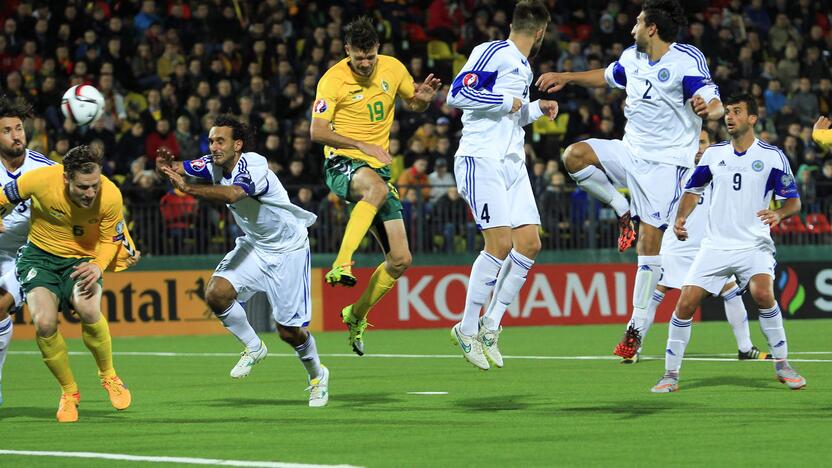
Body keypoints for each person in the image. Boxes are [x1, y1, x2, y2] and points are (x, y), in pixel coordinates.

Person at [536, 0, 725, 360]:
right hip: (630, 151)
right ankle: (623, 210)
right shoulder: (632, 57)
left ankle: (635, 330)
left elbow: (711, 98)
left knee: (648, 249)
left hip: (666, 166)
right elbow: (608, 76)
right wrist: (568, 77)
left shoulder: (685, 61)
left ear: (652, 28)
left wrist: (710, 110)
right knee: (574, 156)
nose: (631, 28)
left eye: (637, 22)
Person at [157, 115, 329, 407]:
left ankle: (317, 376)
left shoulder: (254, 165)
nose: (213, 146)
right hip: (255, 246)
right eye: (211, 140)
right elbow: (182, 167)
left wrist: (187, 189)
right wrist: (165, 166)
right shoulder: (213, 161)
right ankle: (253, 347)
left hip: (288, 249)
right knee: (216, 293)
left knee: (287, 331)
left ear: (237, 145)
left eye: (220, 140)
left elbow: (235, 194)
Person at [651, 94, 806, 393]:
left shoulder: (772, 156)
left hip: (754, 244)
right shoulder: (713, 154)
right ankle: (670, 374)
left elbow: (794, 202)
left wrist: (779, 212)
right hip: (715, 247)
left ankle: (782, 364)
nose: (729, 117)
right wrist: (681, 218)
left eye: (737, 112)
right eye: (728, 112)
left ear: (752, 118)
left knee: (763, 294)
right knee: (685, 303)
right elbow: (692, 190)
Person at [309, 17, 440, 355]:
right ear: (347, 51)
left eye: (369, 57)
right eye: (358, 58)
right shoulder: (332, 80)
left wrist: (423, 99)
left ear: (377, 50)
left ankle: (355, 314)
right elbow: (317, 131)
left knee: (400, 259)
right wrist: (362, 146)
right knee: (377, 191)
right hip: (342, 161)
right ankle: (342, 262)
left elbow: (414, 102)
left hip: (377, 170)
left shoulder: (393, 68)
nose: (364, 64)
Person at [445, 0, 558, 370]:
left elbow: (512, 114)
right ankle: (465, 327)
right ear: (540, 31)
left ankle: (490, 324)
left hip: (512, 162)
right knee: (499, 244)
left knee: (529, 243)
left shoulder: (524, 66)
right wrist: (506, 100)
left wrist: (536, 109)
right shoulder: (493, 50)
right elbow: (457, 94)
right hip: (482, 159)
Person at [0, 145, 135, 422]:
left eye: (94, 185)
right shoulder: (40, 180)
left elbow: (111, 239)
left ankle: (108, 375)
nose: (90, 193)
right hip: (39, 258)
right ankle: (69, 392)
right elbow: (3, 197)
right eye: (83, 187)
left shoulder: (110, 195)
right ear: (66, 178)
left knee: (88, 310)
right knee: (45, 323)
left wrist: (97, 265)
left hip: (83, 259)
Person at [620, 129, 771, 364]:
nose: (699, 147)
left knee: (730, 292)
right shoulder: (671, 171)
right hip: (674, 245)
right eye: (695, 142)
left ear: (711, 145)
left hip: (706, 247)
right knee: (652, 294)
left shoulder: (719, 169)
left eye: (703, 142)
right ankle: (633, 347)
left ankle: (745, 348)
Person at [0, 97, 57, 407]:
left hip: (27, 255)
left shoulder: (46, 169)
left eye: (18, 128)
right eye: (7, 130)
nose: (15, 135)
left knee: (0, 305)